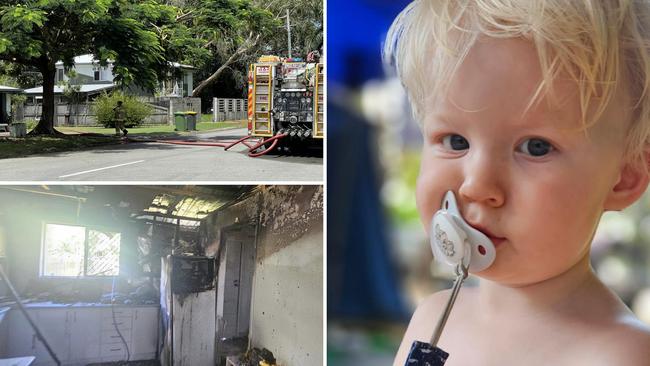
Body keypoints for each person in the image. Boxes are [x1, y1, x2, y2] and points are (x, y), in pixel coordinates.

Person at [383, 1, 650, 364]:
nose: (476, 186)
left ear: (625, 178)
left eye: (535, 147)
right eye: (455, 141)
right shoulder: (432, 317)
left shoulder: (620, 354)